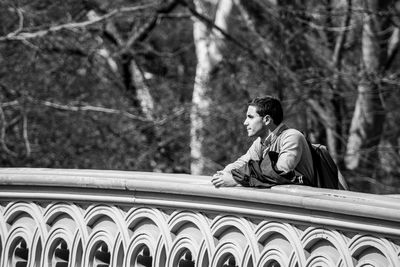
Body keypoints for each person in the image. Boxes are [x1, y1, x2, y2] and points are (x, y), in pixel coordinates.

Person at [211, 96, 314, 188]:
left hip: (309, 205)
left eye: (250, 117)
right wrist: (223, 174)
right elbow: (242, 162)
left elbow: (279, 174)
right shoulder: (260, 142)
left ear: (267, 120)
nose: (245, 122)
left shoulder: (292, 136)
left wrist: (236, 180)